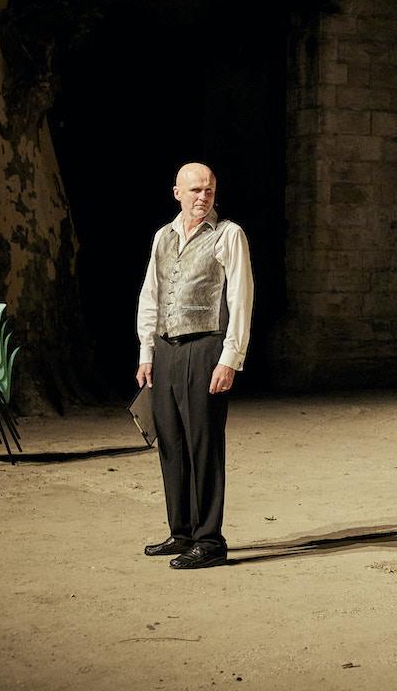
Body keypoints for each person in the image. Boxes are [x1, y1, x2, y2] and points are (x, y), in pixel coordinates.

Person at [136, 162, 254, 569]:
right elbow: (150, 295)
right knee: (170, 441)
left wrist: (230, 359)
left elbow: (241, 300)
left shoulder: (228, 235)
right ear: (177, 193)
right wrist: (146, 353)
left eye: (209, 190)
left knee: (203, 443)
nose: (203, 197)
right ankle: (181, 531)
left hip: (206, 346)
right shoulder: (163, 237)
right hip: (166, 347)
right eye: (196, 190)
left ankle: (210, 540)